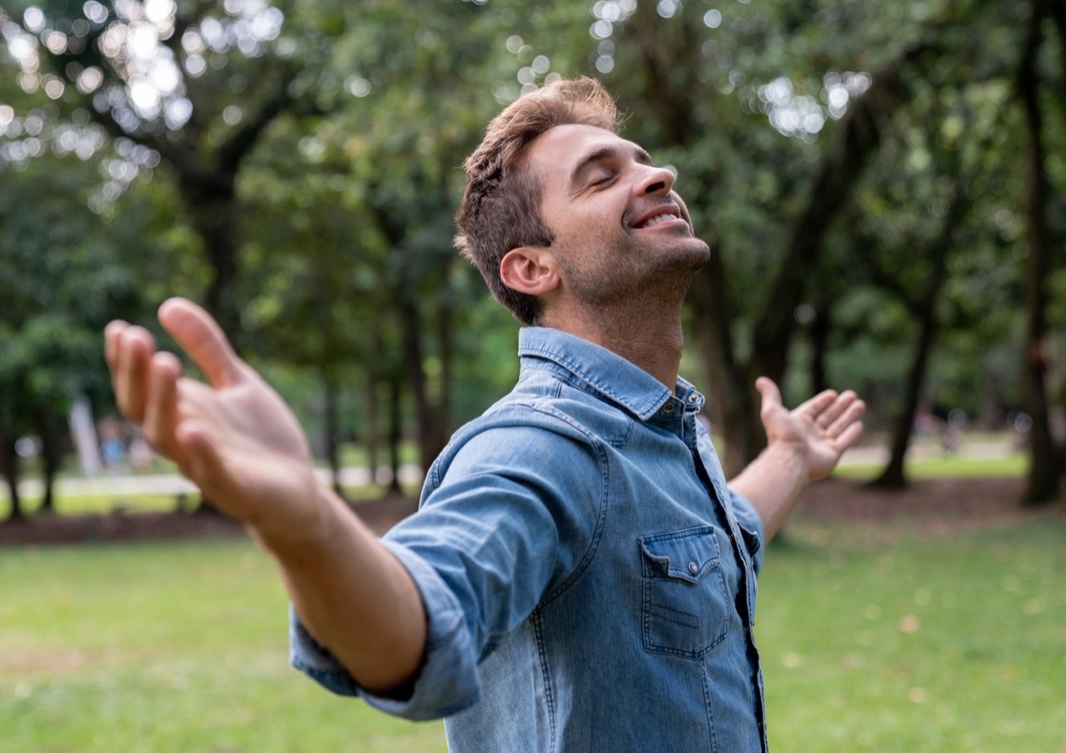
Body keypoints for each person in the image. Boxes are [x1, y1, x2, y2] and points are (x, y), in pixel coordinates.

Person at [105, 78, 865, 752]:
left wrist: (790, 458)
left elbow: (712, 538)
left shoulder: (660, 431)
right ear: (533, 267)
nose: (656, 173)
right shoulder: (541, 447)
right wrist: (306, 526)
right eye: (602, 177)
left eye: (643, 160)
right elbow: (419, 623)